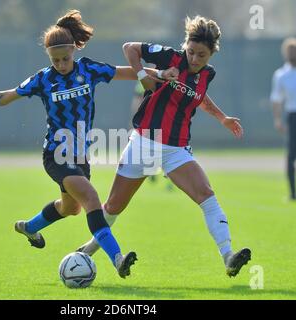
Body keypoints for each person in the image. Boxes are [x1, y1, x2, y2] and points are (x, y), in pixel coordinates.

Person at [0, 10, 165, 278]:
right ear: (48, 57)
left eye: (65, 58)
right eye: (55, 60)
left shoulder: (89, 69)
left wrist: (162, 73)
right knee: (91, 198)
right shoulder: (43, 79)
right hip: (56, 154)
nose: (61, 64)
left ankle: (30, 227)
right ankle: (117, 258)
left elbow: (128, 72)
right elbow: (6, 97)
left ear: (73, 51)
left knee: (71, 208)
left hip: (80, 156)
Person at [77, 15, 252, 278]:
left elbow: (200, 97)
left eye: (201, 55)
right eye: (191, 52)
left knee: (206, 194)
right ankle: (88, 250)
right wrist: (141, 75)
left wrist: (222, 118)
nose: (194, 59)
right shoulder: (170, 57)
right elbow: (129, 48)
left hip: (176, 150)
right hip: (144, 143)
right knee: (114, 206)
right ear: (185, 46)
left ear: (211, 54)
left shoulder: (207, 74)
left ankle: (228, 255)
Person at [270, 37, 296, 201]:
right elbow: (276, 98)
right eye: (289, 51)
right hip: (292, 116)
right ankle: (293, 193)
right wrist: (278, 119)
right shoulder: (281, 75)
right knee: (291, 154)